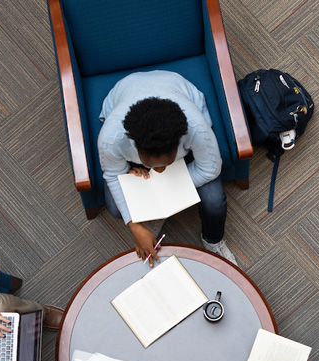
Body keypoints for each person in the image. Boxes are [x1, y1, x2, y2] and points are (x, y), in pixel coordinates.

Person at [98, 70, 237, 266]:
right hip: (124, 93)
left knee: (214, 201)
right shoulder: (111, 137)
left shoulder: (195, 127)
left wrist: (164, 190)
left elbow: (211, 169)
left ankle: (213, 241)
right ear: (135, 148)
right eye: (153, 165)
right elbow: (113, 175)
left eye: (167, 163)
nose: (161, 171)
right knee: (114, 207)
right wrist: (135, 226)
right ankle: (150, 196)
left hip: (177, 88)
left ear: (180, 144)